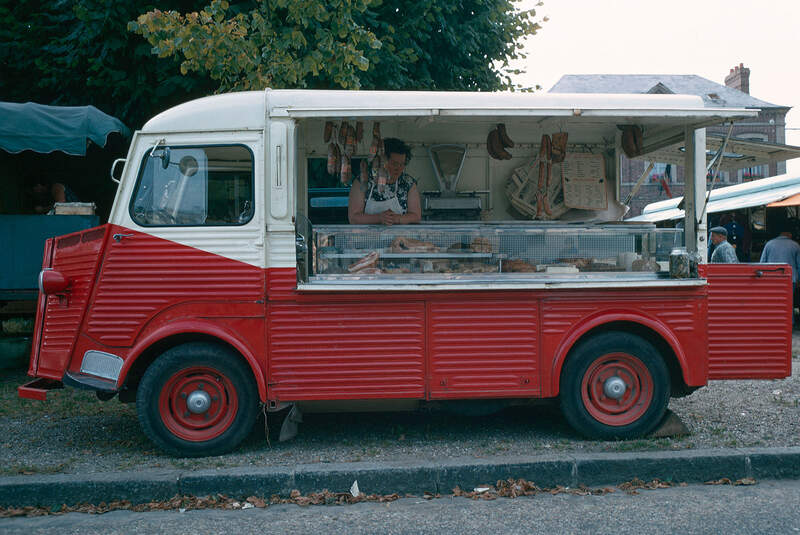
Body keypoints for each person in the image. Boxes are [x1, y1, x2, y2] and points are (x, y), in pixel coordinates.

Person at [348, 138, 421, 225]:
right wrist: (379, 218)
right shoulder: (363, 180)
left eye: (402, 164)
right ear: (382, 161)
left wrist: (396, 219)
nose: (398, 168)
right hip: (368, 237)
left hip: (400, 237)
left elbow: (416, 216)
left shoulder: (408, 183)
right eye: (394, 164)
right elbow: (353, 218)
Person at [760, 225, 800, 324]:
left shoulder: (769, 244)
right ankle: (789, 323)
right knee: (788, 301)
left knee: (772, 301)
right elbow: (799, 265)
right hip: (790, 279)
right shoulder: (795, 245)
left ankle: (772, 322)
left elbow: (762, 262)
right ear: (789, 234)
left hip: (771, 279)